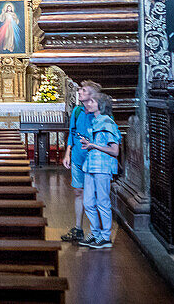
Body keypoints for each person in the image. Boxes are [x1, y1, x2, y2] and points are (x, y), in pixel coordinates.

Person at [79, 92, 120, 249]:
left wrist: (93, 145)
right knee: (88, 202)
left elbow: (115, 150)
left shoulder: (107, 122)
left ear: (101, 105)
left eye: (92, 102)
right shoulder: (95, 121)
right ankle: (95, 233)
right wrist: (89, 143)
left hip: (102, 166)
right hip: (90, 165)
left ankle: (105, 236)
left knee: (102, 201)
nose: (88, 104)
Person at [61, 80, 101, 242]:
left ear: (92, 95)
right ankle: (78, 228)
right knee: (79, 192)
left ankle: (96, 231)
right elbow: (72, 133)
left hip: (93, 159)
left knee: (94, 196)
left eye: (83, 90)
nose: (79, 92)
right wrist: (67, 153)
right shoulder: (77, 111)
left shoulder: (100, 112)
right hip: (77, 157)